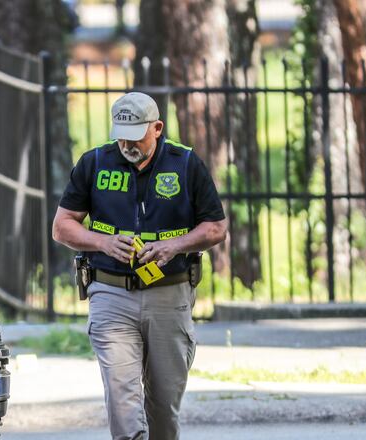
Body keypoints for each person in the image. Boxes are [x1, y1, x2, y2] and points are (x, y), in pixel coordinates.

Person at [52, 92, 228, 440]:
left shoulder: (185, 164)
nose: (127, 144)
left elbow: (215, 228)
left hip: (169, 293)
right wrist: (102, 242)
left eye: (135, 137)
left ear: (157, 128)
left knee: (163, 406)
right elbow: (62, 226)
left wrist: (173, 246)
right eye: (121, 136)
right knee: (123, 401)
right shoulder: (95, 163)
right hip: (110, 294)